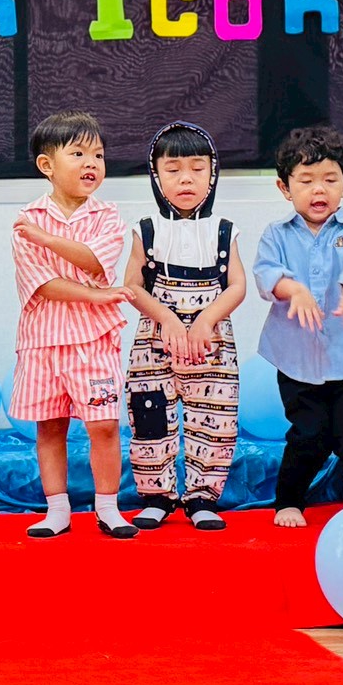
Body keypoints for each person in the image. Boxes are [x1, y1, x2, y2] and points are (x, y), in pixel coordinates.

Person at [9, 111, 136, 539]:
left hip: (94, 340)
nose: (91, 164)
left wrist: (48, 240)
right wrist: (96, 295)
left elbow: (95, 259)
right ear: (47, 165)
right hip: (42, 342)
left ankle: (108, 508)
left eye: (98, 155)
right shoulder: (27, 218)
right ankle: (57, 510)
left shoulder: (108, 216)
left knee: (104, 425)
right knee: (50, 426)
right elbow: (42, 284)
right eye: (78, 154)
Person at [254, 126, 343, 528]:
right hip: (296, 357)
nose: (318, 189)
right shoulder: (276, 234)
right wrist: (294, 289)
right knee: (307, 434)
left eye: (330, 180)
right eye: (306, 180)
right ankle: (289, 501)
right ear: (284, 187)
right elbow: (266, 273)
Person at [123, 122, 244, 531]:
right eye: (173, 169)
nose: (186, 179)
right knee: (149, 417)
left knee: (215, 421)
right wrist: (167, 318)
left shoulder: (224, 230)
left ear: (213, 173)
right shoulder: (146, 230)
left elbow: (237, 285)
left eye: (197, 168)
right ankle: (156, 497)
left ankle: (202, 498)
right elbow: (132, 286)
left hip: (212, 346)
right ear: (156, 176)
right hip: (155, 343)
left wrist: (207, 318)